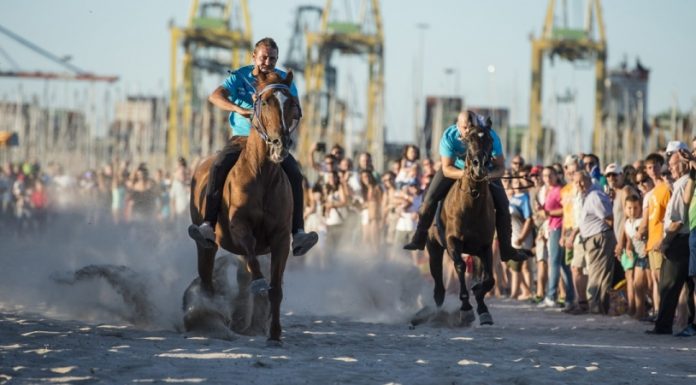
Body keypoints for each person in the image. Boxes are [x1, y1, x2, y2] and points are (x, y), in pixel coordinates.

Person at [187, 37, 318, 256]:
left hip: (272, 142)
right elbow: (215, 96)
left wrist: (289, 114)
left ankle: (298, 232)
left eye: (273, 58)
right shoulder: (240, 76)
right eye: (264, 57)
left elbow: (295, 108)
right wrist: (238, 109)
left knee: (295, 174)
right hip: (242, 139)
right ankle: (208, 224)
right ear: (254, 56)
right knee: (218, 166)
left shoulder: (283, 80)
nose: (268, 61)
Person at [403, 110, 529, 262]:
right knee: (429, 198)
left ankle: (507, 249)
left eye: (472, 127)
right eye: (465, 128)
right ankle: (420, 236)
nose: (469, 131)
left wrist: (487, 175)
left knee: (503, 205)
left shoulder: (490, 136)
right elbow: (447, 168)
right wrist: (467, 175)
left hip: (485, 170)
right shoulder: (449, 136)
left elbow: (500, 167)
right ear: (458, 126)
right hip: (455, 169)